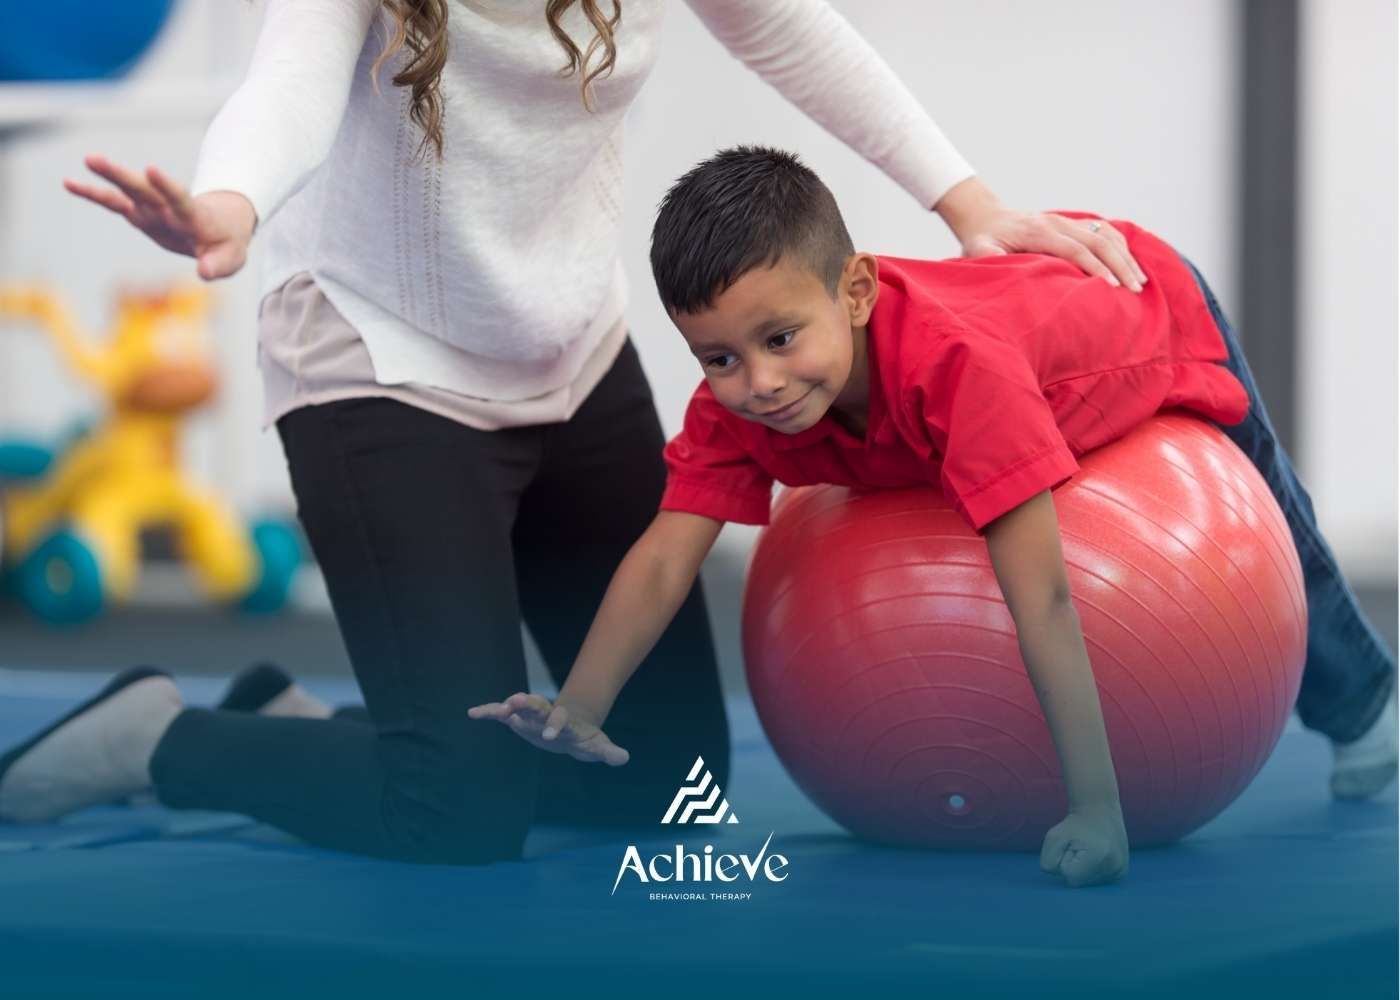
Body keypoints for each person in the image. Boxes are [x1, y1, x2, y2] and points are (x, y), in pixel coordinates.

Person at [0, 1, 1150, 864]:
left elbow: (790, 29)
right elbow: (289, 83)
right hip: (380, 366)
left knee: (665, 781)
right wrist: (229, 201)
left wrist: (969, 202)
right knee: (454, 809)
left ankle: (334, 728)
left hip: (569, 354)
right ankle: (158, 738)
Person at [469, 146, 1399, 889]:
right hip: (1020, 318)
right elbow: (667, 556)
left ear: (857, 292)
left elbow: (1043, 600)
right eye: (717, 357)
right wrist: (577, 707)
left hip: (1144, 300)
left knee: (1272, 500)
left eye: (782, 338)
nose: (758, 384)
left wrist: (1096, 810)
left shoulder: (958, 375)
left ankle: (1366, 703)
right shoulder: (740, 410)